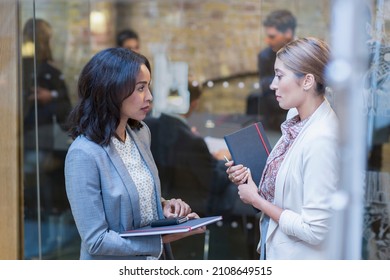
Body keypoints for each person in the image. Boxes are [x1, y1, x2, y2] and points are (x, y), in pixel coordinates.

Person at [64, 48, 205, 260]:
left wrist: (165, 206)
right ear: (112, 89)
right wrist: (164, 238)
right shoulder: (83, 154)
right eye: (141, 88)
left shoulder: (140, 134)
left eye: (148, 87)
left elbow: (134, 196)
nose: (149, 97)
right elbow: (96, 240)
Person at [227, 37, 340, 259]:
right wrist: (250, 179)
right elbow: (289, 186)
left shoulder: (322, 140)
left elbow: (315, 230)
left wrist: (257, 200)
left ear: (307, 81)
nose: (272, 85)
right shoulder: (295, 118)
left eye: (279, 76)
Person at [144, 83, 257, 259]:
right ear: (195, 103)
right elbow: (214, 181)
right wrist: (221, 161)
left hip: (172, 197)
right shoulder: (190, 140)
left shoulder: (150, 127)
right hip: (198, 206)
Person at [22, 18, 73, 256]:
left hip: (47, 142)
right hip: (26, 141)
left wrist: (50, 96)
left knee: (50, 197)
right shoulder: (18, 71)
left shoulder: (51, 72)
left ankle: (51, 243)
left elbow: (65, 108)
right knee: (31, 199)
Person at [246, 10, 297, 130]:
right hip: (274, 123)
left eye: (272, 36)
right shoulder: (264, 57)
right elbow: (267, 91)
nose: (267, 41)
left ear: (288, 33)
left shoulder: (307, 54)